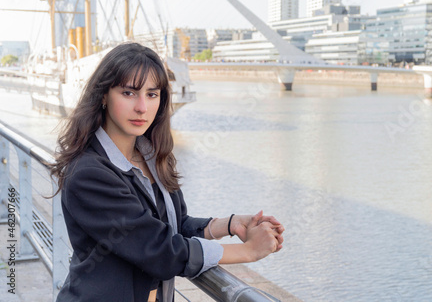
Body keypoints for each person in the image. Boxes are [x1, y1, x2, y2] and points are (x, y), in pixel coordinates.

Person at [49, 42, 284, 302]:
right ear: (104, 95)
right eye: (129, 93)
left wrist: (228, 224)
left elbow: (174, 226)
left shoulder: (151, 156)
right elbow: (159, 250)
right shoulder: (89, 173)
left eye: (152, 94)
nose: (142, 107)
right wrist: (248, 252)